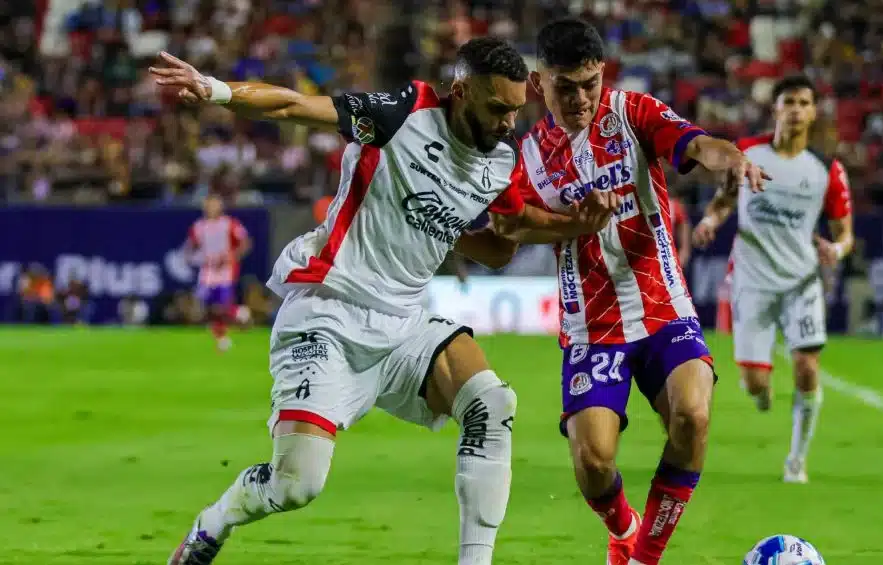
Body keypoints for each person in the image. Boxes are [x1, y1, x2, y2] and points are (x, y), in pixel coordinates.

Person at [151, 36, 611, 565]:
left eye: (515, 110)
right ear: (461, 93)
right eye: (497, 109)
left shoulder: (498, 162)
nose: (509, 122)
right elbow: (295, 105)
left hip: (405, 323)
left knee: (492, 403)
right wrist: (213, 89)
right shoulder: (402, 115)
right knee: (297, 485)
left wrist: (576, 222)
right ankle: (215, 522)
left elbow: (503, 242)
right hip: (328, 312)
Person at [492, 18, 768, 565]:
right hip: (592, 326)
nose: (580, 98)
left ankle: (642, 556)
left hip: (663, 304)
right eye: (565, 87)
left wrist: (729, 158)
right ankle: (623, 526)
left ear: (603, 75)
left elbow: (694, 143)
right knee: (594, 463)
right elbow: (511, 227)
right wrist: (574, 223)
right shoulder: (523, 155)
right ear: (537, 82)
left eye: (590, 84)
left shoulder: (632, 112)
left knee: (693, 415)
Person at [693, 75, 855, 484]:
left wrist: (835, 251)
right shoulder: (748, 152)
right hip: (751, 281)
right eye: (790, 101)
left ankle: (796, 461)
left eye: (804, 102)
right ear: (776, 108)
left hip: (801, 281)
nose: (797, 109)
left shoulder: (826, 171)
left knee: (806, 366)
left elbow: (845, 232)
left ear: (813, 112)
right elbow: (725, 199)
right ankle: (762, 393)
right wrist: (712, 219)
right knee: (754, 384)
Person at [183, 194, 252, 352]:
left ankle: (235, 316)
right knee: (206, 307)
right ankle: (225, 333)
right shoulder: (199, 226)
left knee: (222, 305)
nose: (210, 208)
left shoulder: (229, 224)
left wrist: (232, 257)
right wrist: (193, 258)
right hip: (207, 271)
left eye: (214, 204)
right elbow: (191, 247)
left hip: (225, 271)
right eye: (208, 205)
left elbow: (245, 243)